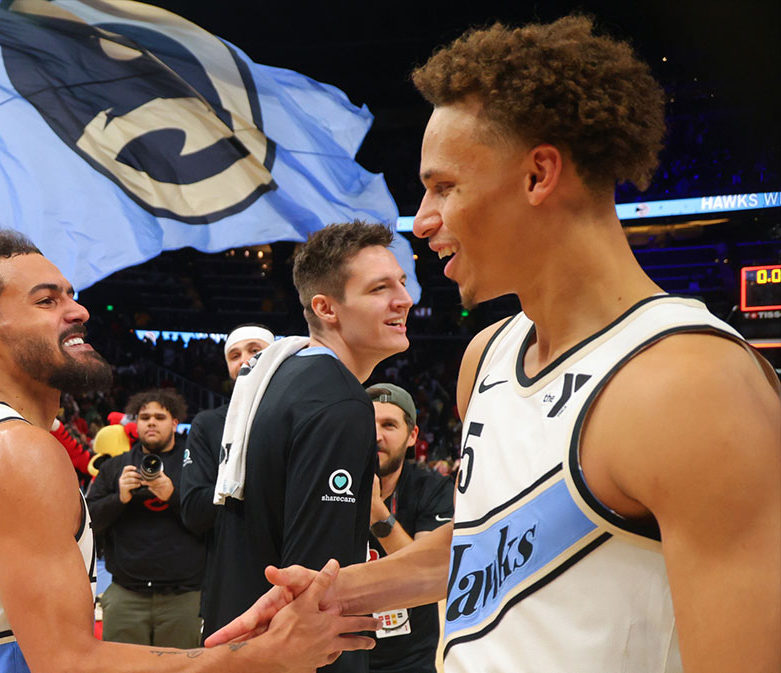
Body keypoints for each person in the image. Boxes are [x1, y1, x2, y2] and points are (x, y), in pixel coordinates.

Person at [206, 17, 781, 673]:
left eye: (443, 186)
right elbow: (493, 539)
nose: (421, 221)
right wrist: (341, 589)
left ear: (539, 175)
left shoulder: (693, 384)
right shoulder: (486, 357)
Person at [0, 229, 375, 673]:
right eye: (47, 300)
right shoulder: (15, 449)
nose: (78, 310)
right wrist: (261, 654)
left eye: (71, 295)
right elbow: (67, 662)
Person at [202, 221, 412, 673]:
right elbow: (318, 582)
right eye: (380, 288)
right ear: (326, 308)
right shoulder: (338, 401)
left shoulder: (280, 376)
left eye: (402, 282)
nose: (404, 300)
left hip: (239, 635)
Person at [85, 389, 203, 647]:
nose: (151, 422)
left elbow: (211, 519)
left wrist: (172, 495)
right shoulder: (115, 466)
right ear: (135, 423)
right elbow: (89, 522)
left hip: (183, 596)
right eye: (144, 416)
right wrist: (120, 498)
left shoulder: (194, 464)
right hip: (125, 593)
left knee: (179, 668)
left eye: (160, 417)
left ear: (174, 423)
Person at [177, 324, 274, 630]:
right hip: (230, 580)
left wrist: (230, 491)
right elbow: (193, 511)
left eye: (254, 350)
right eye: (234, 354)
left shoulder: (302, 415)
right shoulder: (208, 424)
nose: (244, 359)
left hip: (292, 573)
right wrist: (243, 478)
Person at [360, 384, 451, 673]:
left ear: (412, 436)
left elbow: (428, 573)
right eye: (366, 424)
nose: (376, 435)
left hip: (411, 659)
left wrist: (377, 511)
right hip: (339, 654)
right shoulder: (334, 484)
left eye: (389, 425)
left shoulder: (432, 488)